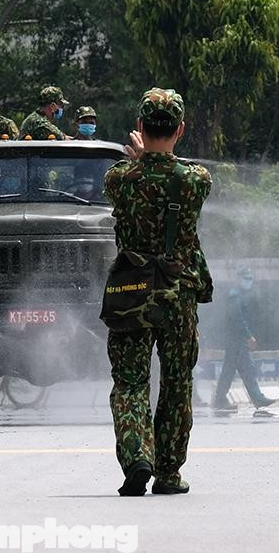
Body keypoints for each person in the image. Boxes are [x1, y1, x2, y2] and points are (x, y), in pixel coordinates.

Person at [103, 88, 211, 496]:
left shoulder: (117, 177)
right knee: (177, 381)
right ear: (180, 129)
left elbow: (134, 179)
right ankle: (168, 472)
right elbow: (173, 176)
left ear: (140, 127)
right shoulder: (196, 180)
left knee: (130, 381)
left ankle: (137, 456)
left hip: (130, 291)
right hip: (177, 295)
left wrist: (139, 160)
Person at [212, 266, 275, 411]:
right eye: (246, 278)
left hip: (236, 340)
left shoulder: (239, 294)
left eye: (250, 278)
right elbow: (237, 318)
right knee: (246, 369)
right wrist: (249, 336)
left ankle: (221, 399)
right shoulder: (234, 295)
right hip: (237, 340)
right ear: (238, 279)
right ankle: (256, 398)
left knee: (231, 370)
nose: (249, 281)